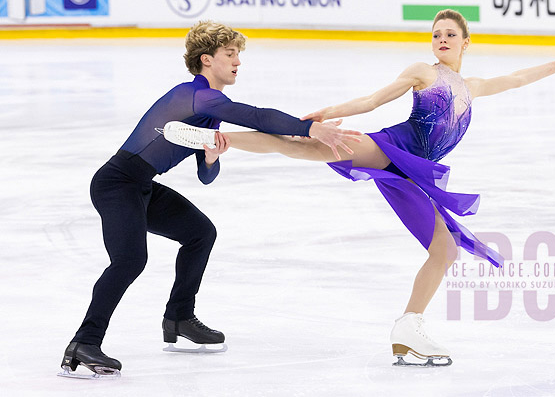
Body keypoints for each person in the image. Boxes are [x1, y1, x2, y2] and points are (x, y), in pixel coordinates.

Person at [168, 10, 555, 366]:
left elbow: (513, 78)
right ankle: (222, 140)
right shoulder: (424, 72)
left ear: (465, 42)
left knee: (446, 250)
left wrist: (553, 67)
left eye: (450, 35)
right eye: (437, 34)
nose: (441, 39)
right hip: (391, 147)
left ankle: (409, 327)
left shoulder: (472, 87)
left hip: (413, 171)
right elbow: (373, 101)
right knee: (308, 147)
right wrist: (328, 114)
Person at [59, 20, 360, 379]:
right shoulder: (197, 95)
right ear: (206, 60)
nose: (237, 61)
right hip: (117, 183)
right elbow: (257, 116)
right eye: (230, 54)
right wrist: (310, 128)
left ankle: (179, 317)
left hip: (141, 185)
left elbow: (206, 175)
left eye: (238, 55)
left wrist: (212, 157)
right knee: (129, 260)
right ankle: (84, 342)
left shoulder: (209, 112)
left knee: (200, 232)